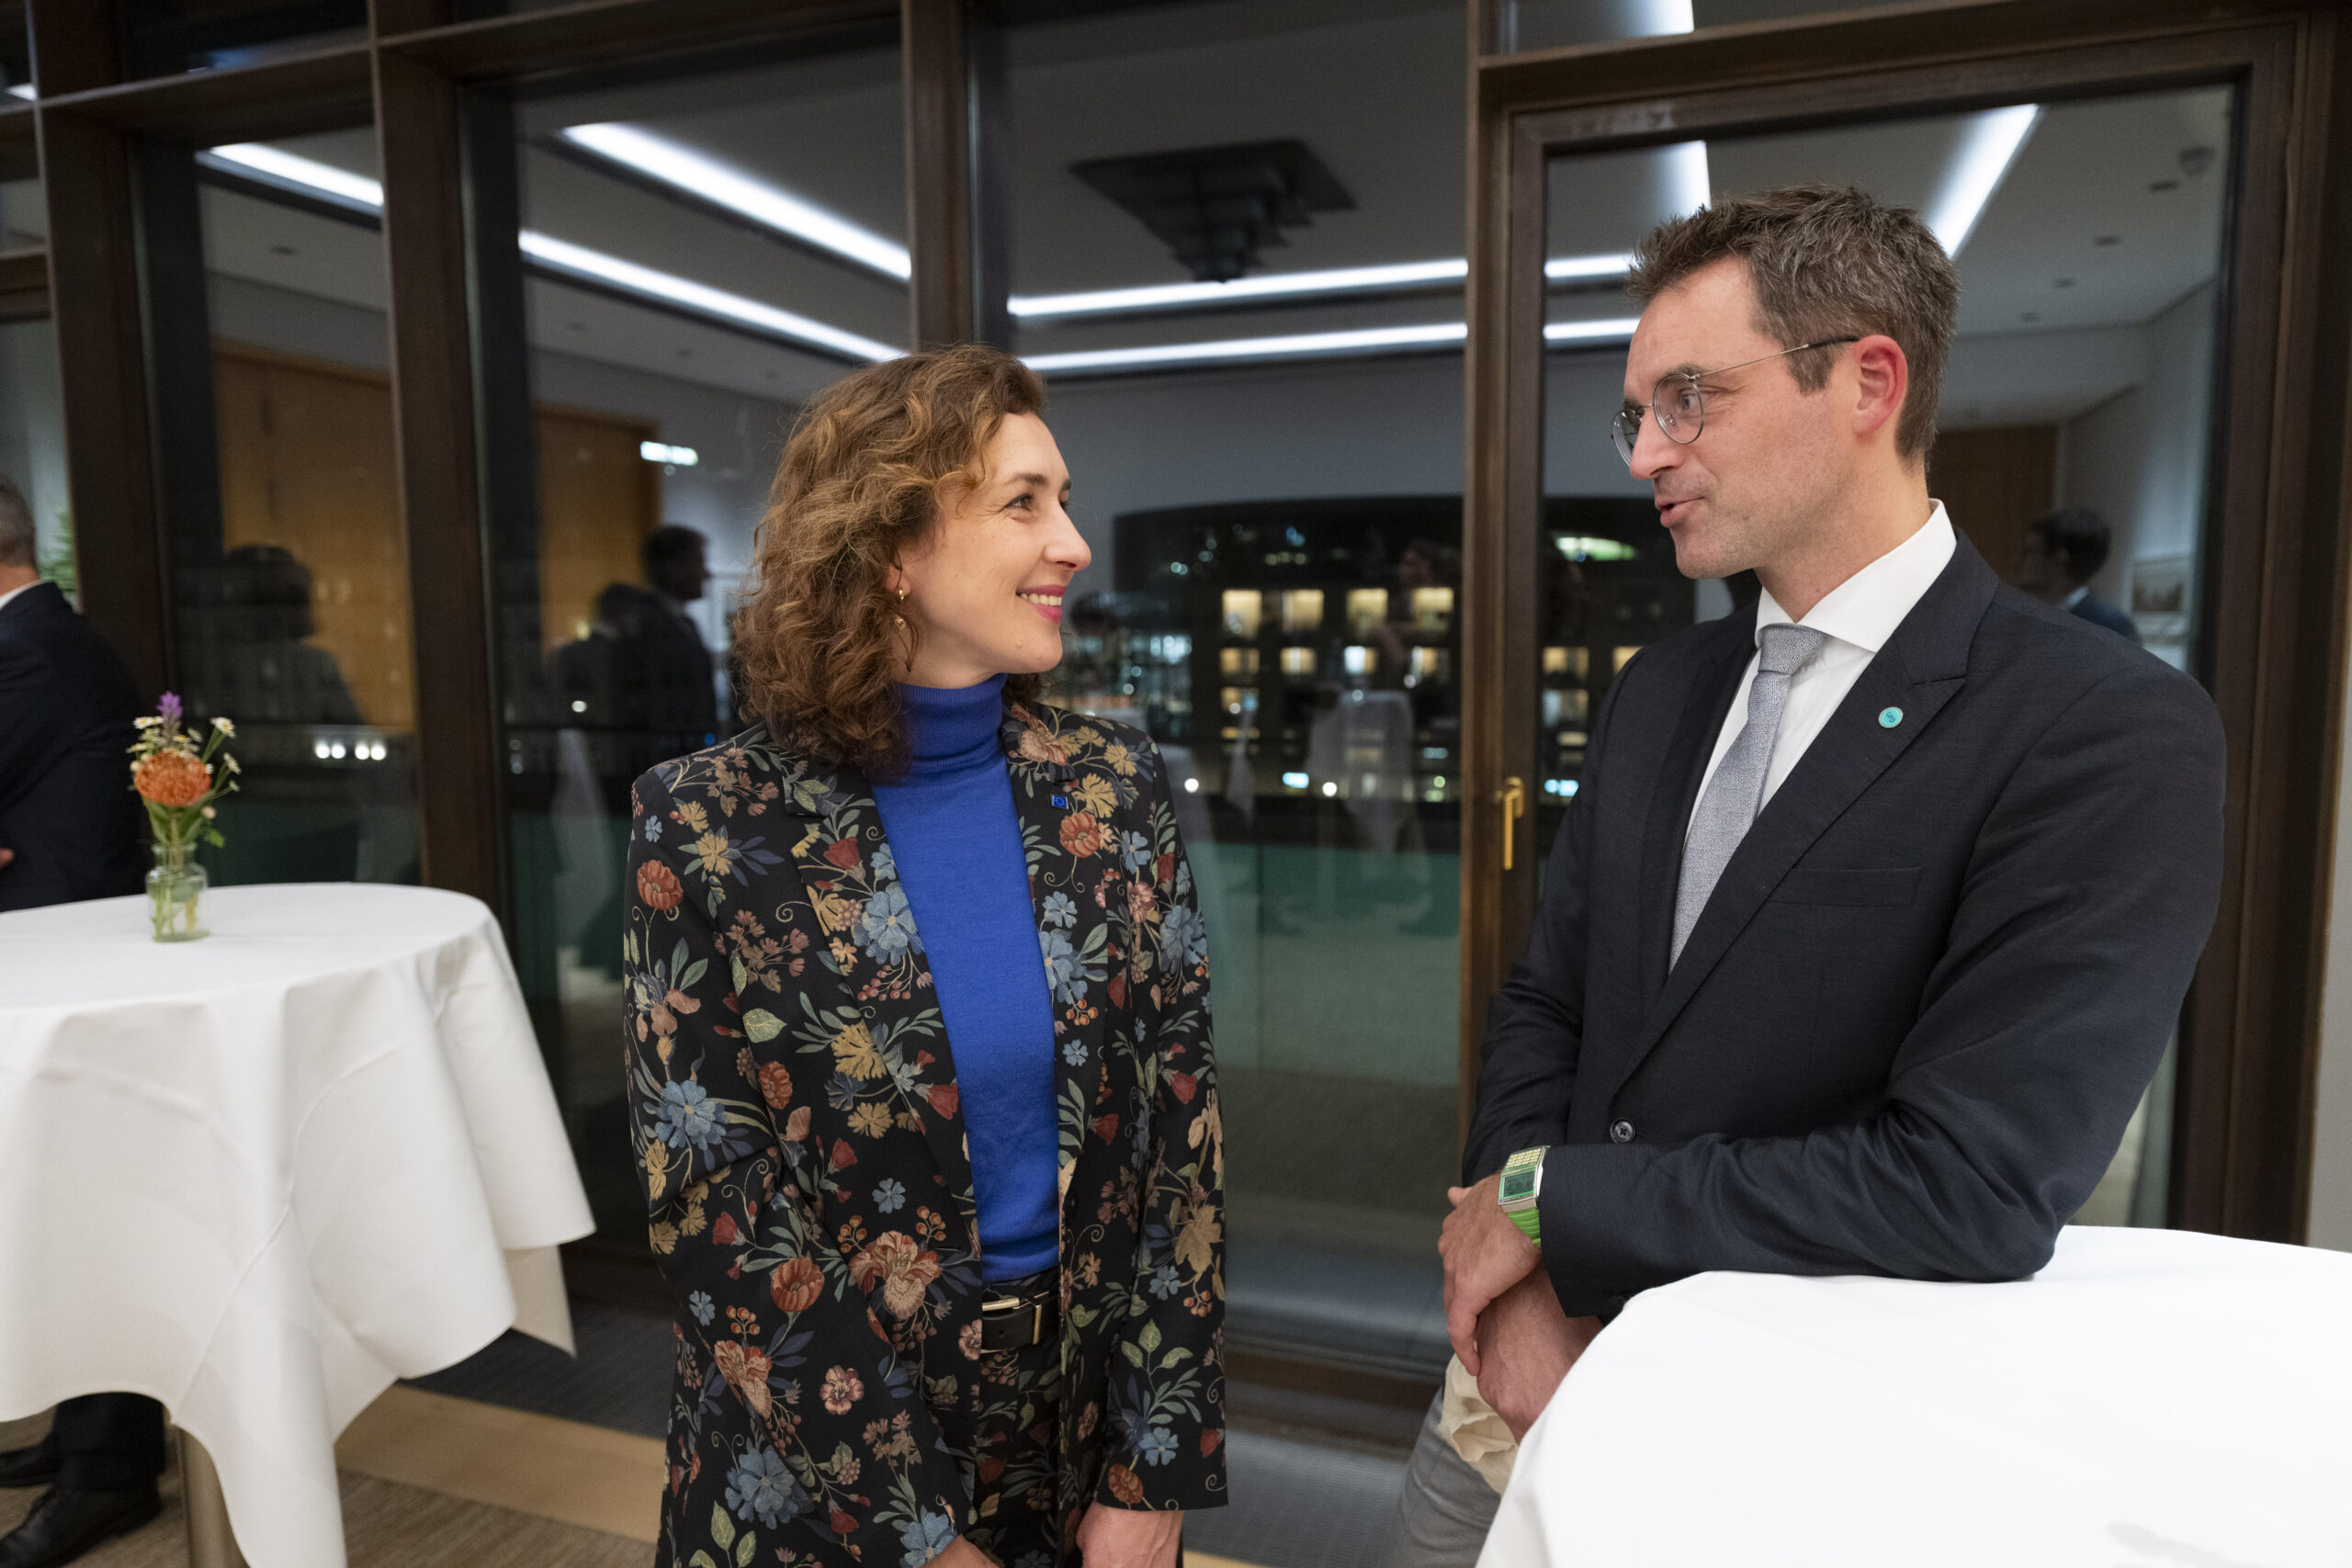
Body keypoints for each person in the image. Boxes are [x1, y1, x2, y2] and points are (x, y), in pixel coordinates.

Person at [1392, 186, 2225, 1564]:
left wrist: (1551, 1203)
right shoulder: (1662, 686)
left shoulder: (2098, 727)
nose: (1651, 450)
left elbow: (1967, 1183)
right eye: (1638, 412)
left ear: (1868, 380)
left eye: (1690, 399)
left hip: (1793, 1444)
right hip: (1513, 1386)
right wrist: (1523, 1278)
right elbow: (1549, 999)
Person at [623, 345, 1225, 1568]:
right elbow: (717, 1208)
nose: (1074, 542)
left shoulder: (1113, 790)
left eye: (1062, 497)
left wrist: (1152, 1469)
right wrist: (921, 1534)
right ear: (892, 546)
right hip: (815, 1469)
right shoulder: (706, 820)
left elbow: (1183, 1149)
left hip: (1075, 1440)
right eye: (1024, 501)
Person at [0, 474, 169, 1565]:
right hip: (61, 957)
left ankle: (107, 1470)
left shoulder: (27, 651)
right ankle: (87, 1439)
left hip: (56, 969)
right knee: (69, 1209)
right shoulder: (49, 637)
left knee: (84, 1211)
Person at [2015, 505, 2141, 640]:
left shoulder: (2110, 624)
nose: (2020, 559)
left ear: (2058, 559)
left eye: (2031, 551)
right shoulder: (2041, 619)